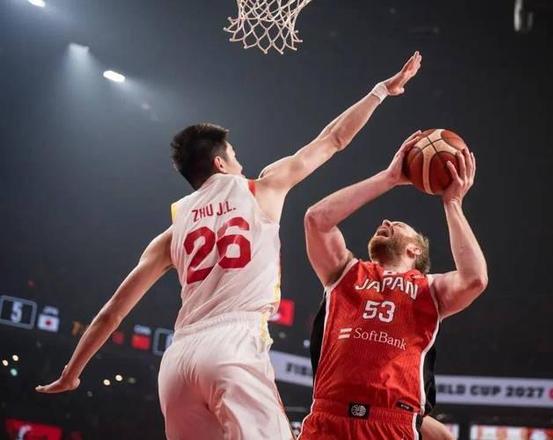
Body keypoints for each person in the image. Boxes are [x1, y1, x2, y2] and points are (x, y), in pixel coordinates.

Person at [35, 53, 422, 440]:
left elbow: (112, 313)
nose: (241, 164)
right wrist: (380, 91)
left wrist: (72, 373)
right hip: (233, 345)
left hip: (178, 362)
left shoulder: (171, 233)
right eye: (235, 158)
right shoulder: (262, 188)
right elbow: (333, 139)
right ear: (221, 163)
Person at [300, 131, 488, 439]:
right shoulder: (344, 272)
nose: (386, 221)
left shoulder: (430, 289)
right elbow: (316, 219)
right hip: (327, 418)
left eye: (398, 225)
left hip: (391, 424)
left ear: (415, 250)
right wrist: (388, 178)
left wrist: (453, 203)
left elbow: (475, 278)